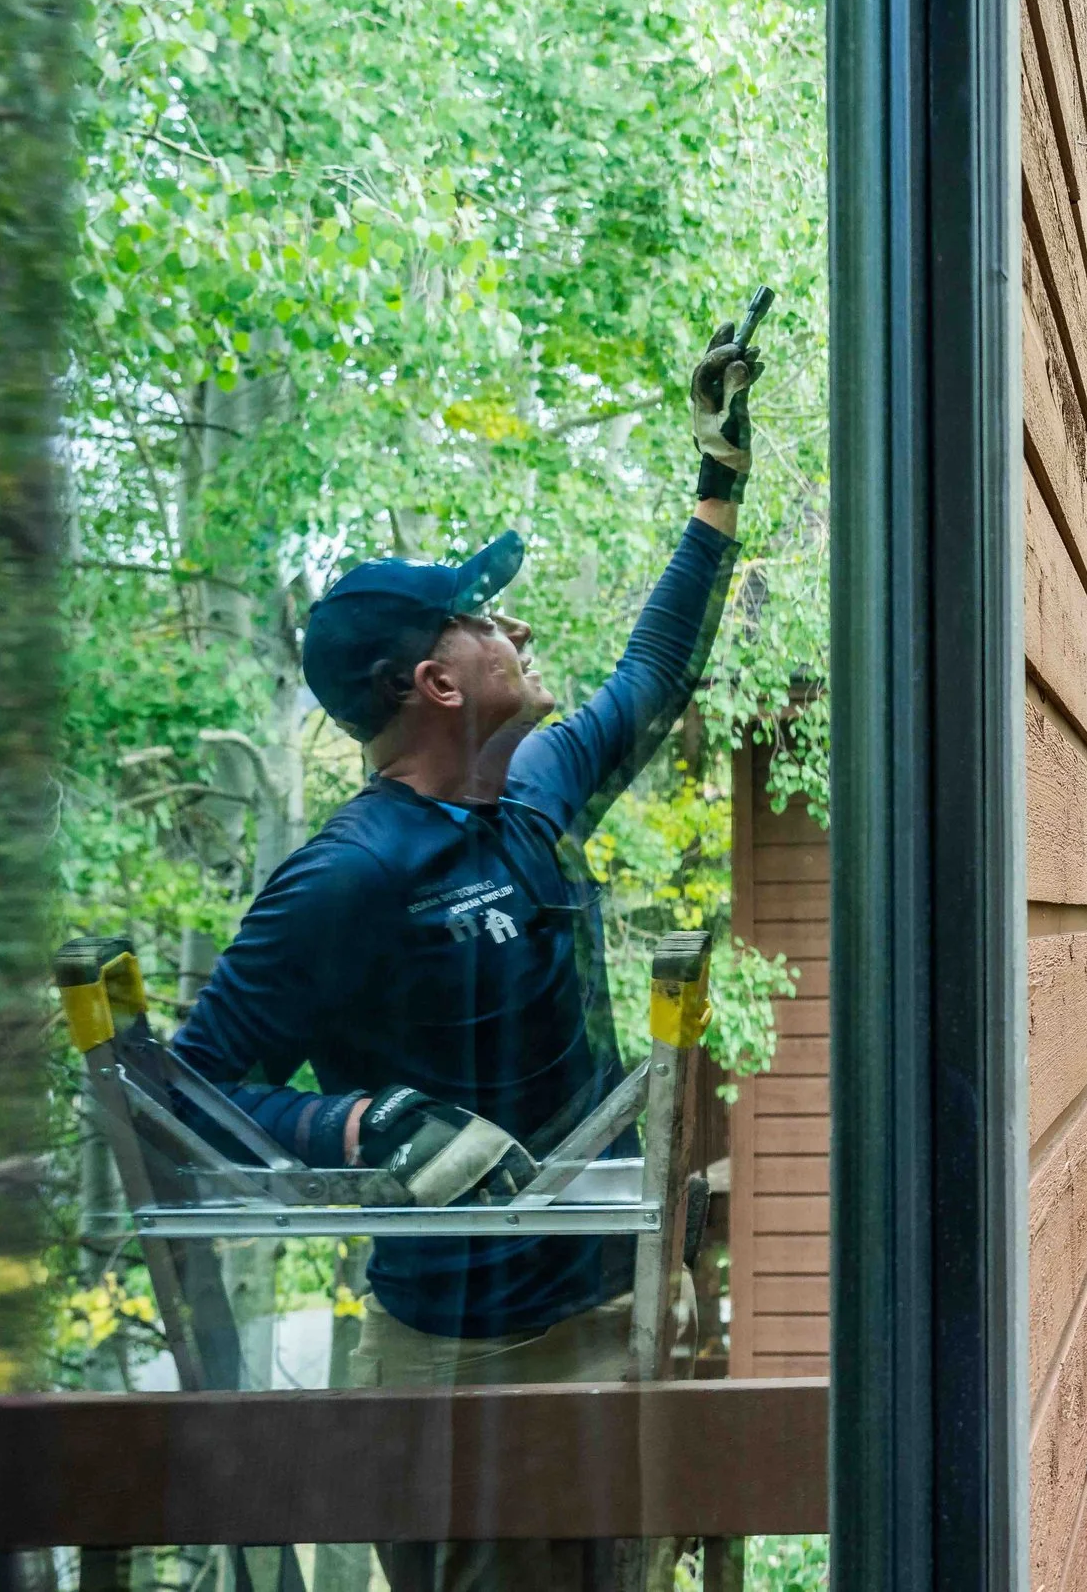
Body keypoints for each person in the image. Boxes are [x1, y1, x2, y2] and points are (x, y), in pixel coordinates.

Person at [170, 319, 765, 1591]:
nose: (517, 628)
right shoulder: (350, 874)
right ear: (436, 681)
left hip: (613, 1319)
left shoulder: (538, 791)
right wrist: (358, 1121)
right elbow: (188, 1090)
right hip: (464, 1366)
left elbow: (655, 673)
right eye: (487, 617)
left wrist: (716, 484)